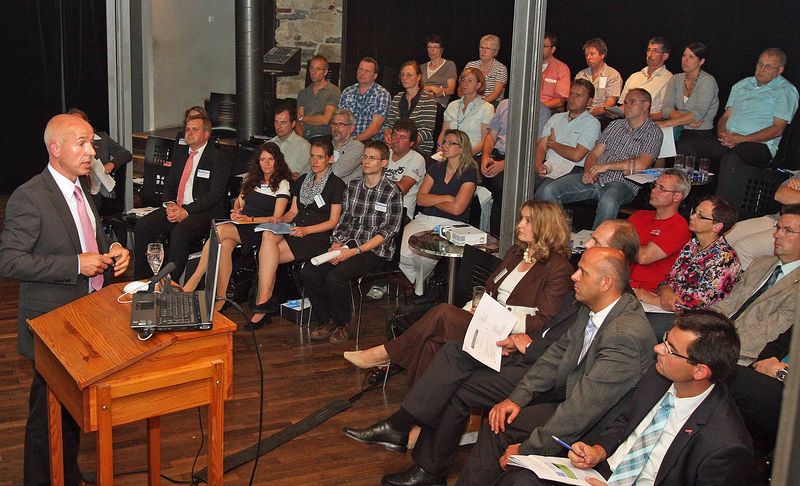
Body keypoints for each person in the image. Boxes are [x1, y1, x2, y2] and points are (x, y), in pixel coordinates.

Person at [344, 248, 655, 486]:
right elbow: (554, 357)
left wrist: (529, 448)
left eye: (582, 272)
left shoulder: (623, 334)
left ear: (606, 282)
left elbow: (584, 409)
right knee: (463, 386)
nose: (574, 276)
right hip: (566, 392)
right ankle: (428, 469)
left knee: (498, 422)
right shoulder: (593, 307)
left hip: (597, 424)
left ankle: (413, 442)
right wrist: (516, 398)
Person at [0, 114, 131, 485]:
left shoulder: (82, 189)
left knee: (72, 411)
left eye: (92, 144)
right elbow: (9, 260)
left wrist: (114, 250)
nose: (92, 152)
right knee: (46, 416)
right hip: (53, 326)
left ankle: (68, 474)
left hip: (89, 317)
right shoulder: (30, 196)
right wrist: (75, 264)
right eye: (82, 143)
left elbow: (91, 241)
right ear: (55, 148)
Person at [496, 310, 752, 486]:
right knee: (520, 478)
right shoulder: (659, 376)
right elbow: (625, 421)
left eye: (670, 350)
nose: (657, 349)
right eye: (665, 340)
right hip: (604, 472)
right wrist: (598, 451)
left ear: (700, 371)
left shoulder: (725, 445)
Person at [344, 201, 574, 385]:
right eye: (521, 218)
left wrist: (496, 316)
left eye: (528, 221)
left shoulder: (558, 268)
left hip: (507, 336)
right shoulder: (516, 253)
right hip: (485, 320)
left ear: (545, 227)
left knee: (443, 312)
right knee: (430, 344)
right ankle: (418, 418)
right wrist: (475, 308)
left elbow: (543, 321)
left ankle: (385, 354)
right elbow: (489, 289)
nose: (520, 225)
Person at [304, 140, 403, 343]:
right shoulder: (353, 186)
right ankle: (326, 320)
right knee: (310, 271)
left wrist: (354, 251)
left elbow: (387, 232)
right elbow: (345, 220)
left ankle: (344, 323)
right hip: (348, 244)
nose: (366, 161)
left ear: (384, 163)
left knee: (335, 277)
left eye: (372, 158)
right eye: (365, 157)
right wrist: (336, 244)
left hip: (374, 251)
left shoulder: (392, 192)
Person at [182, 143, 292, 315]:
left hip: (261, 228)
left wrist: (250, 220)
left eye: (270, 159)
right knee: (224, 246)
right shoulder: (251, 179)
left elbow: (276, 217)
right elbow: (239, 203)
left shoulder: (282, 184)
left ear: (277, 161)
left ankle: (193, 281)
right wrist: (237, 212)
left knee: (218, 231)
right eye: (263, 159)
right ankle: (221, 298)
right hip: (242, 224)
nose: (266, 163)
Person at [249, 137, 345, 327]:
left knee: (267, 257)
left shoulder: (336, 184)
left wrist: (306, 230)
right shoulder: (303, 180)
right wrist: (279, 220)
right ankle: (264, 304)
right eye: (312, 156)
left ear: (330, 159)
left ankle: (262, 306)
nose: (314, 161)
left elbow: (333, 221)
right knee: (268, 235)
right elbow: (293, 212)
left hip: (316, 235)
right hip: (295, 229)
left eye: (320, 157)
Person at [537, 88, 663, 229]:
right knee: (549, 190)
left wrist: (606, 166)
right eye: (625, 102)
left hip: (623, 182)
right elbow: (594, 154)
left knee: (608, 201)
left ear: (646, 105)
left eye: (632, 102)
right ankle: (559, 234)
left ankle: (597, 240)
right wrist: (588, 172)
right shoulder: (615, 125)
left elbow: (642, 164)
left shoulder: (653, 132)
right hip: (596, 177)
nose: (626, 106)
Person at [133, 113, 231, 280]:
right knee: (143, 225)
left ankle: (170, 281)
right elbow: (169, 185)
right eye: (187, 129)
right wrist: (169, 205)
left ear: (206, 134)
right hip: (178, 207)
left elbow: (214, 195)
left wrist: (186, 211)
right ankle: (143, 280)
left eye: (195, 129)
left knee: (180, 231)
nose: (189, 133)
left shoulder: (218, 158)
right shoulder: (181, 155)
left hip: (203, 211)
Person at [678, 48, 799, 169]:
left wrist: (742, 139)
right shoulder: (742, 84)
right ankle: (681, 181)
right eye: (760, 63)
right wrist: (722, 134)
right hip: (730, 138)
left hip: (758, 144)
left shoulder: (785, 90)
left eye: (768, 66)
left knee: (732, 158)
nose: (762, 69)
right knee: (686, 146)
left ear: (780, 70)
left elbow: (778, 129)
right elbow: (726, 116)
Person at [712, 205, 800, 366]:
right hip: (714, 336)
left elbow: (768, 333)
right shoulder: (761, 263)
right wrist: (701, 325)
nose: (777, 234)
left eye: (787, 231)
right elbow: (728, 303)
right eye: (778, 228)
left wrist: (716, 344)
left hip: (739, 356)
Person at [399, 129, 478, 297]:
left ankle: (419, 289)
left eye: (451, 143)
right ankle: (422, 281)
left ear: (461, 148)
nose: (445, 146)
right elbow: (421, 199)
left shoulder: (469, 172)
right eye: (444, 142)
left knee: (424, 256)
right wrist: (447, 198)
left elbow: (457, 209)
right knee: (402, 254)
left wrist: (433, 200)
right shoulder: (436, 168)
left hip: (451, 223)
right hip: (425, 218)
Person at [637, 196, 739, 311]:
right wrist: (665, 290)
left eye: (700, 216)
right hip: (666, 306)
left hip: (691, 318)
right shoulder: (693, 244)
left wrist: (653, 299)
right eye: (695, 212)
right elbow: (669, 279)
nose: (692, 216)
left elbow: (698, 305)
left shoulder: (725, 259)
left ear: (717, 226)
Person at [365, 120, 427, 301]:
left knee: (384, 231)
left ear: (412, 143)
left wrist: (376, 182)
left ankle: (381, 281)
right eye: (394, 136)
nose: (396, 140)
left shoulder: (416, 159)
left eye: (403, 137)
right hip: (375, 205)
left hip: (401, 210)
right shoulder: (386, 154)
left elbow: (402, 188)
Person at [626, 170, 692, 294]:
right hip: (621, 281)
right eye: (654, 186)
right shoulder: (639, 215)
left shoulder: (679, 227)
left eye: (661, 188)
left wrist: (621, 243)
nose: (653, 190)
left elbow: (643, 257)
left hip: (646, 290)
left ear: (677, 197)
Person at [727, 326, 790, 453]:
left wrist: (782, 373)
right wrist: (765, 366)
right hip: (765, 376)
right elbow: (776, 345)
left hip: (790, 398)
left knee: (727, 375)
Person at [533, 79, 601, 195]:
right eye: (571, 94)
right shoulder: (556, 118)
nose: (572, 98)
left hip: (573, 169)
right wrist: (538, 165)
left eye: (578, 95)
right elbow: (542, 147)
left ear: (589, 102)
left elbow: (576, 155)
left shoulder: (592, 123)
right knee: (517, 180)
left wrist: (553, 144)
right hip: (549, 164)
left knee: (547, 191)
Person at [65, 108, 133, 215]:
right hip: (80, 191)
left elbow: (126, 154)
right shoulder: (68, 145)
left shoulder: (102, 139)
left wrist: (112, 164)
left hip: (101, 191)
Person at [725, 174, 800, 270]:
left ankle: (754, 279)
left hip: (792, 229)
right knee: (725, 237)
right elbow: (780, 195)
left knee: (743, 249)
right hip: (777, 218)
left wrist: (795, 193)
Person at [657, 43, 720, 142]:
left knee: (681, 145)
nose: (685, 60)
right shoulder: (675, 79)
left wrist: (665, 123)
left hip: (699, 132)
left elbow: (698, 113)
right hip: (678, 128)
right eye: (684, 55)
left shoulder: (708, 81)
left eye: (691, 57)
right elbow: (665, 109)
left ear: (701, 61)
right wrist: (687, 120)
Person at [384, 61, 437, 154]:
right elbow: (389, 124)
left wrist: (404, 144)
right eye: (402, 75)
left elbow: (426, 131)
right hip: (395, 146)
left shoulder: (428, 99)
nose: (404, 78)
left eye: (409, 75)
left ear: (418, 77)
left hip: (419, 149)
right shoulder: (397, 98)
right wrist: (388, 134)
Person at [439, 67, 494, 156]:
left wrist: (465, 155)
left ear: (478, 85)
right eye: (463, 80)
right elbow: (443, 133)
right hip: (449, 154)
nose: (465, 84)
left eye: (470, 81)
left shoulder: (487, 108)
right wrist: (440, 148)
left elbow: (485, 140)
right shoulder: (452, 105)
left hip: (471, 156)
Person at [338, 57, 392, 142]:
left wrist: (353, 143)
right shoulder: (347, 92)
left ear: (375, 76)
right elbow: (339, 121)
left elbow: (375, 128)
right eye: (360, 69)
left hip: (370, 143)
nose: (362, 73)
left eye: (367, 71)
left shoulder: (382, 94)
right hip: (346, 140)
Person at [618, 37, 673, 119]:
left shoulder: (669, 79)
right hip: (627, 121)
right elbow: (624, 104)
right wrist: (616, 112)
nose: (650, 55)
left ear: (665, 56)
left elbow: (666, 112)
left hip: (652, 123)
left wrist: (642, 118)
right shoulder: (634, 76)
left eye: (655, 51)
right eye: (648, 50)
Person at [421, 34, 458, 142]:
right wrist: (432, 87)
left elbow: (451, 89)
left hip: (438, 104)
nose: (431, 50)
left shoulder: (449, 65)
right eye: (429, 47)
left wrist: (435, 93)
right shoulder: (422, 67)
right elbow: (417, 87)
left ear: (441, 49)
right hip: (420, 101)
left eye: (435, 47)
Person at [574, 38, 623, 117]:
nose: (588, 57)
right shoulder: (581, 74)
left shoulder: (612, 74)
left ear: (602, 55)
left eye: (592, 54)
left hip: (601, 117)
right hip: (580, 114)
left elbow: (610, 103)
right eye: (586, 55)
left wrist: (588, 115)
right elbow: (574, 97)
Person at [295, 54, 340, 139]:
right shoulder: (302, 93)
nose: (314, 72)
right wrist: (302, 140)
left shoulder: (333, 91)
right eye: (312, 68)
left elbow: (325, 120)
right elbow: (299, 122)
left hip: (323, 136)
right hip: (304, 136)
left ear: (325, 72)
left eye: (318, 69)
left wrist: (303, 118)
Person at [464, 34, 508, 107]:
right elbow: (461, 87)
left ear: (495, 52)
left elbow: (496, 93)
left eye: (487, 49)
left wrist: (478, 105)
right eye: (481, 47)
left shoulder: (501, 68)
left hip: (491, 104)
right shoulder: (470, 65)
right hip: (469, 101)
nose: (483, 51)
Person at [269, 103, 310, 178]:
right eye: (276, 122)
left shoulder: (304, 146)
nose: (278, 126)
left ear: (293, 124)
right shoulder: (268, 145)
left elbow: (298, 176)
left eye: (283, 123)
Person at [330, 108, 365, 184]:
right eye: (334, 124)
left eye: (341, 124)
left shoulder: (357, 147)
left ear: (352, 128)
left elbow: (336, 172)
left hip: (346, 189)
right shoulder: (325, 145)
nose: (336, 128)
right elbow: (307, 171)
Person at [539, 32, 571, 113]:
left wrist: (538, 107)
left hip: (550, 111)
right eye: (538, 45)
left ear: (553, 49)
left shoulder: (561, 69)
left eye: (544, 46)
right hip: (528, 109)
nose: (539, 48)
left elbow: (560, 101)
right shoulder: (528, 66)